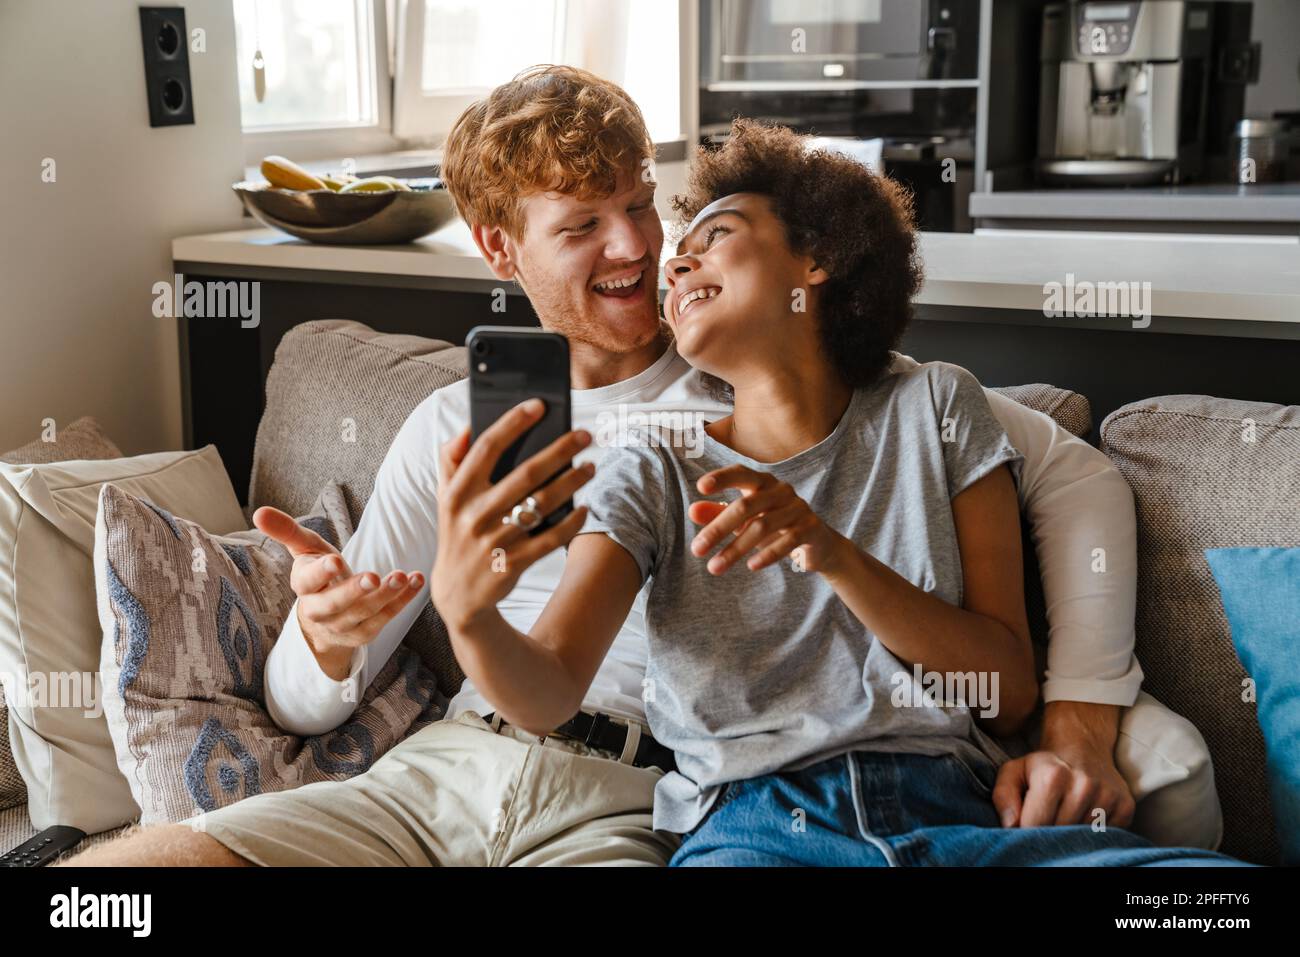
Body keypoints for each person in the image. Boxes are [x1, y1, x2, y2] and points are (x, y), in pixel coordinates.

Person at [65, 67, 1206, 867]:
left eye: (639, 208)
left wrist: (1080, 717)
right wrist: (326, 632)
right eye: (583, 226)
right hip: (444, 765)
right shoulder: (455, 426)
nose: (637, 249)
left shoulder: (756, 370)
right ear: (500, 249)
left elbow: (1076, 472)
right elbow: (306, 705)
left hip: (632, 799)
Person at [428, 118, 1247, 866]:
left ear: (814, 260)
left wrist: (830, 551)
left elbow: (1005, 695)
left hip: (956, 813)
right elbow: (549, 687)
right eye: (684, 250)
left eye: (715, 237)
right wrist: (469, 615)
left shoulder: (937, 406)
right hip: (746, 828)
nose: (672, 260)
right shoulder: (654, 466)